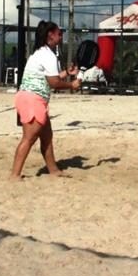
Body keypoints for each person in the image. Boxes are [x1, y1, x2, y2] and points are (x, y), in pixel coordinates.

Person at [10, 21, 82, 180]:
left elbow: (50, 78)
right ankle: (14, 175)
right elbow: (54, 83)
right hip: (32, 100)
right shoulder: (48, 55)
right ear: (51, 35)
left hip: (31, 98)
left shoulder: (42, 53)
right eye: (59, 33)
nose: (61, 36)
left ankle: (53, 170)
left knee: (47, 137)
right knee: (29, 139)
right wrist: (72, 85)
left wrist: (66, 73)